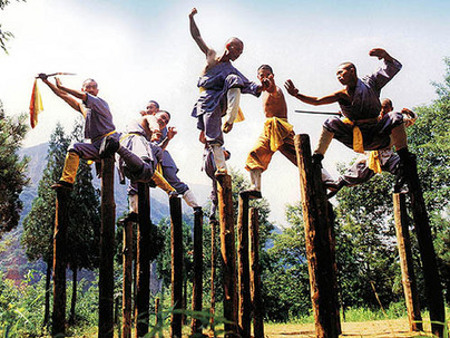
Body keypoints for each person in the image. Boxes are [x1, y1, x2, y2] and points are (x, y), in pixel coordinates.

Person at [284, 48, 412, 171]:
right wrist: (297, 95)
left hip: (379, 134)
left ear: (352, 70)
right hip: (357, 138)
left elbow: (390, 68)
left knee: (395, 116)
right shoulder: (341, 94)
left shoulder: (371, 83)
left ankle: (405, 156)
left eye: (341, 72)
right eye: (336, 75)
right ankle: (317, 158)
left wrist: (386, 56)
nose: (338, 76)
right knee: (331, 122)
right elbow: (317, 101)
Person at [189, 7, 263, 175]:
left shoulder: (231, 70)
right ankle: (221, 167)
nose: (239, 54)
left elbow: (248, 85)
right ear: (229, 46)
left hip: (223, 102)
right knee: (212, 136)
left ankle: (230, 119)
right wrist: (191, 18)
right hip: (207, 101)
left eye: (241, 52)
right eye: (237, 50)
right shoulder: (212, 56)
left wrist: (262, 86)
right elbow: (197, 36)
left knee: (234, 79)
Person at [39, 75, 119, 190]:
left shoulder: (100, 103)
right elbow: (63, 95)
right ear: (83, 89)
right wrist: (46, 81)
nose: (91, 89)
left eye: (93, 87)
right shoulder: (84, 107)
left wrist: (62, 86)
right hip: (96, 145)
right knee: (74, 148)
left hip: (110, 144)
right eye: (88, 87)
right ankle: (67, 182)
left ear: (97, 90)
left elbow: (80, 95)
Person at [326, 99, 418, 197]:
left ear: (391, 108)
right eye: (381, 108)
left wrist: (409, 113)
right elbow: (357, 120)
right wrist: (348, 116)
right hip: (370, 158)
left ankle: (400, 187)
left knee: (406, 163)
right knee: (350, 177)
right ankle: (329, 193)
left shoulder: (396, 121)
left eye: (385, 108)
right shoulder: (373, 120)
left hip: (387, 156)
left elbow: (411, 120)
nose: (383, 111)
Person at [136, 100, 202, 212]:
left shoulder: (159, 124)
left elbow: (157, 145)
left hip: (161, 158)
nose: (148, 110)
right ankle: (134, 211)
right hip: (147, 155)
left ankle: (195, 205)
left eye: (151, 107)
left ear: (157, 110)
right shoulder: (141, 123)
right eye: (147, 108)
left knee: (173, 180)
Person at [245, 65, 297, 197]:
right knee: (254, 153)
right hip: (268, 128)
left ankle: (325, 178)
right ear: (258, 77)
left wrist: (271, 84)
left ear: (272, 76)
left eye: (267, 75)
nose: (264, 78)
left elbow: (273, 90)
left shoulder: (275, 89)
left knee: (298, 156)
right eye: (262, 76)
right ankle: (255, 188)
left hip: (281, 127)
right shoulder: (262, 91)